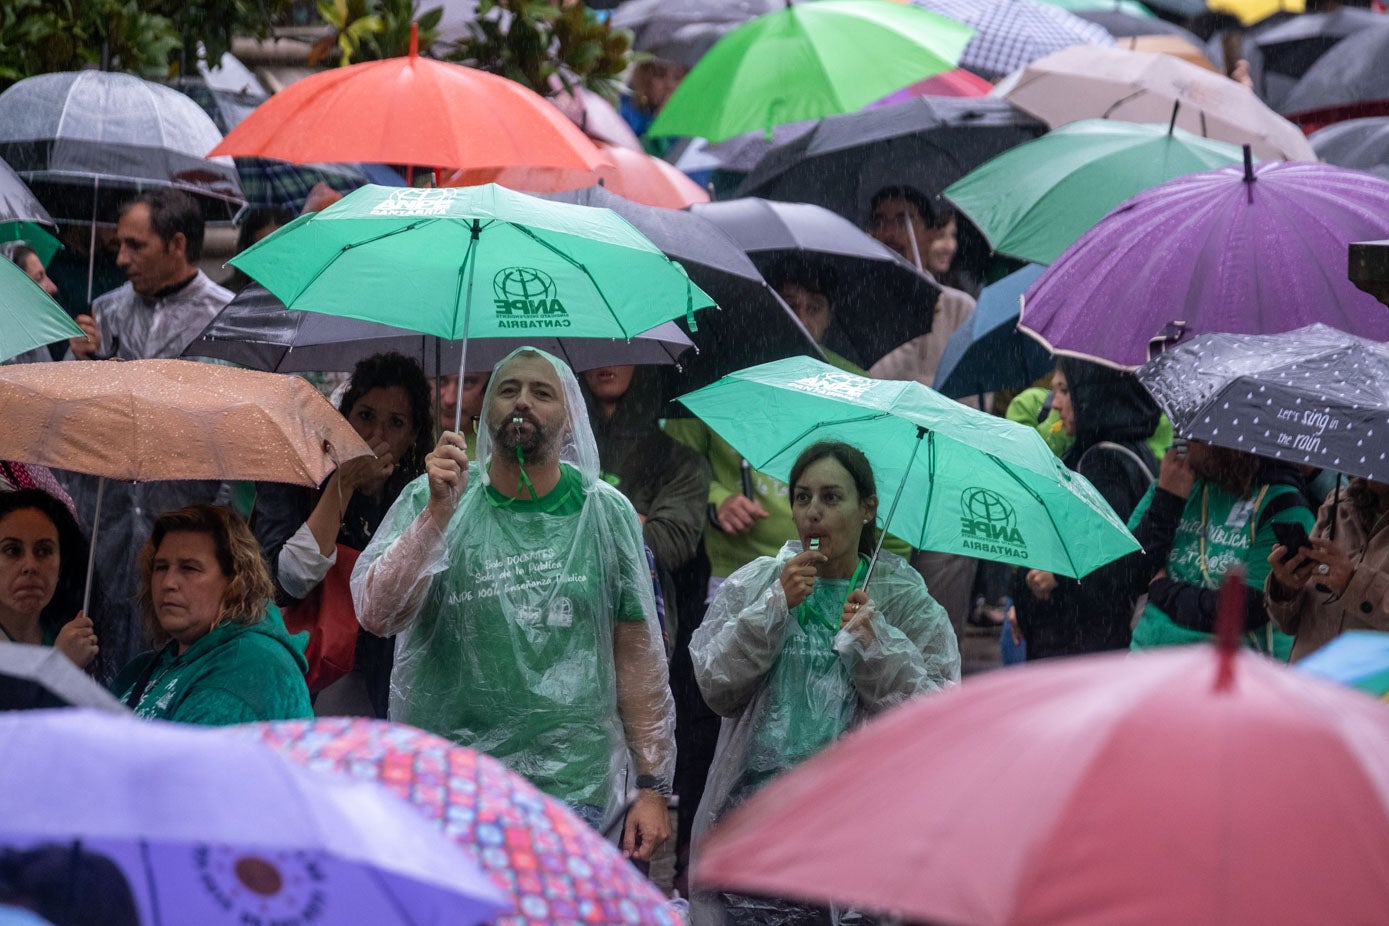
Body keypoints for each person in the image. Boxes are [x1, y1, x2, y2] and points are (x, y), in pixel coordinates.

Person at [352, 347, 676, 858]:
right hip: (449, 788)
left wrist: (653, 788)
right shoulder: (431, 497)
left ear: (570, 418)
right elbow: (378, 614)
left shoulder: (606, 514)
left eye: (541, 392)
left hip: (573, 792)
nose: (522, 401)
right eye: (508, 389)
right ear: (484, 414)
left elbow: (636, 655)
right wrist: (437, 516)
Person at [690, 441, 959, 925]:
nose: (813, 513)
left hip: (854, 838)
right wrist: (772, 609)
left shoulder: (901, 598)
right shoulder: (759, 583)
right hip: (756, 822)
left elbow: (937, 720)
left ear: (868, 508)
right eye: (802, 497)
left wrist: (878, 645)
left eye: (832, 498)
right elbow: (716, 687)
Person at [252, 352, 434, 718]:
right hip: (304, 681)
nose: (375, 436)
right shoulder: (295, 478)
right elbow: (287, 581)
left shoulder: (417, 495)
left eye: (395, 423)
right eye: (365, 416)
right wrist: (344, 483)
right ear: (342, 418)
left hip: (384, 686)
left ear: (413, 435)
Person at [866, 185, 982, 638]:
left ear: (931, 229)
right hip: (878, 488)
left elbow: (971, 411)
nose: (891, 232)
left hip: (942, 492)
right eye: (881, 219)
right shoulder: (859, 308)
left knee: (937, 634)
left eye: (905, 219)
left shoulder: (958, 310)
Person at [112, 505, 312, 725]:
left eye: (189, 568)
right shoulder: (145, 666)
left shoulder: (247, 668)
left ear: (235, 581)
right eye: (161, 567)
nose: (168, 583)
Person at [1014, 360, 1160, 658]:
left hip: (1078, 644)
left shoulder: (1102, 464)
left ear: (1095, 396)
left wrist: (1058, 577)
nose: (1054, 404)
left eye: (1065, 391)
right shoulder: (1127, 449)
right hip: (1088, 639)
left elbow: (1111, 563)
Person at [1126, 441, 1315, 658]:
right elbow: (1128, 575)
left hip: (1232, 670)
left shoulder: (1282, 504)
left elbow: (1244, 610)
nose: (1182, 442)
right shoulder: (1175, 479)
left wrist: (1162, 589)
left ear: (1228, 444)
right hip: (1147, 659)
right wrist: (1167, 500)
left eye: (1196, 437)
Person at [582, 363, 711, 641]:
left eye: (621, 348)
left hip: (641, 624)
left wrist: (577, 517)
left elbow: (666, 545)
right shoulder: (552, 450)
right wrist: (635, 520)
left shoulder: (682, 462)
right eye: (597, 347)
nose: (607, 360)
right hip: (564, 616)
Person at [68, 188, 232, 362]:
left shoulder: (227, 319)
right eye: (119, 244)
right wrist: (81, 360)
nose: (121, 259)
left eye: (135, 245)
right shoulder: (104, 312)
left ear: (176, 245)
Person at [1266, 477, 1389, 661]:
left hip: (1371, 686)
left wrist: (1353, 582)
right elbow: (1288, 623)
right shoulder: (1339, 504)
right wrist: (1286, 587)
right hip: (1308, 679)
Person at [0, 489, 110, 681]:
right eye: (12, 550)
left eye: (43, 551)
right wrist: (60, 666)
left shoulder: (75, 640)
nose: (30, 566)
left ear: (61, 565)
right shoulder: (68, 653)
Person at [1, 241, 60, 365]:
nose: (53, 287)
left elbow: (50, 378)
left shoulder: (33, 339)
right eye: (39, 278)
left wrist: (78, 353)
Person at [435, 370, 490, 455]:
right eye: (441, 381)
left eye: (467, 382)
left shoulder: (504, 446)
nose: (449, 400)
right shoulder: (409, 440)